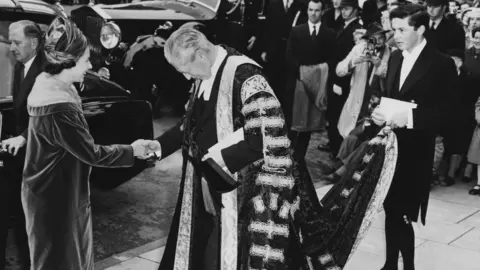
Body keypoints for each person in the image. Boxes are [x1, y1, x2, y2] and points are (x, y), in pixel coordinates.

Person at [146, 24, 398, 270]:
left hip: (244, 198)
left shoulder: (247, 77)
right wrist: (159, 145)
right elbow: (191, 123)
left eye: (186, 70)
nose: (187, 77)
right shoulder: (206, 69)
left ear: (201, 53)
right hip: (208, 190)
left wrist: (211, 171)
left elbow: (265, 138)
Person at [20, 17, 150, 270]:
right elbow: (92, 154)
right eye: (85, 61)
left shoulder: (51, 87)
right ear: (68, 63)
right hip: (56, 197)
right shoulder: (59, 107)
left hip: (50, 191)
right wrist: (134, 150)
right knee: (61, 261)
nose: (89, 66)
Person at [371, 4, 457, 270]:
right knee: (390, 209)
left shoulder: (441, 63)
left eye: (401, 29)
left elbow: (449, 114)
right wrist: (379, 113)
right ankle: (389, 264)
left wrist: (409, 119)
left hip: (417, 152)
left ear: (420, 29)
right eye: (393, 29)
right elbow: (393, 98)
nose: (395, 35)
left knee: (404, 213)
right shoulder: (396, 57)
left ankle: (407, 266)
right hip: (392, 148)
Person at [0, 20, 45, 270]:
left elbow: (51, 116)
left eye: (16, 42)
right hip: (22, 155)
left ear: (34, 42)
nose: (12, 48)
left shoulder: (49, 70)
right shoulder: (21, 66)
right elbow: (22, 111)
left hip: (41, 156)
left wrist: (25, 136)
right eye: (10, 41)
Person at [286, 0, 336, 166]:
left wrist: (317, 72)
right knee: (295, 121)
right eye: (311, 10)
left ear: (322, 12)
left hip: (318, 85)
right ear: (306, 11)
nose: (313, 13)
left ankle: (300, 157)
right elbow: (289, 56)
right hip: (299, 84)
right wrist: (302, 72)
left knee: (310, 121)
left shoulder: (329, 34)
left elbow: (331, 58)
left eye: (317, 10)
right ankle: (288, 153)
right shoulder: (296, 31)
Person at [319, 0, 363, 156]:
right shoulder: (343, 25)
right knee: (332, 112)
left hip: (344, 79)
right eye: (343, 8)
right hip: (335, 74)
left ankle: (338, 150)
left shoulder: (357, 29)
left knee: (339, 114)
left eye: (348, 8)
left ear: (356, 10)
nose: (344, 11)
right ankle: (333, 144)